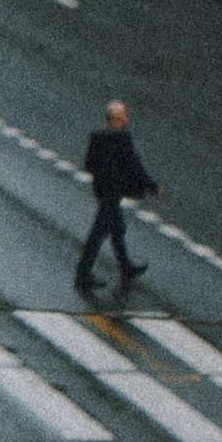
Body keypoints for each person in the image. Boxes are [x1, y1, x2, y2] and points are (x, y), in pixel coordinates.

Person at [76, 98, 157, 296]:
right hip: (113, 192)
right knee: (98, 234)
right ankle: (82, 275)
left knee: (117, 228)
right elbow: (134, 165)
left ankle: (126, 266)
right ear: (119, 119)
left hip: (101, 190)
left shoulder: (97, 136)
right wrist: (151, 186)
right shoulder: (122, 139)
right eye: (124, 115)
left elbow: (88, 163)